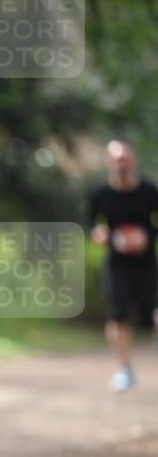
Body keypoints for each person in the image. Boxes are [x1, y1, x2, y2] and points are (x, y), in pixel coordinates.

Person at [88, 140, 158, 392]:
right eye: (117, 159)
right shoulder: (101, 193)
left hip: (146, 260)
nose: (122, 163)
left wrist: (146, 237)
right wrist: (98, 233)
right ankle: (124, 369)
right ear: (109, 162)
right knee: (118, 313)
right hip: (116, 262)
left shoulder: (149, 192)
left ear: (134, 161)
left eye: (126, 158)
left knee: (152, 310)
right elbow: (90, 221)